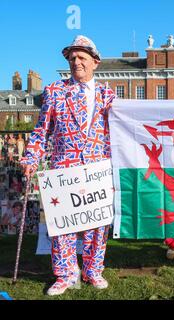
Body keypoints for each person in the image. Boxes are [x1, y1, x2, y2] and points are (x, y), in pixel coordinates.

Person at [21, 35, 115, 295]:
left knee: (97, 225)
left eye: (82, 57)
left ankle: (93, 271)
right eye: (72, 58)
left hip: (98, 169)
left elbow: (121, 131)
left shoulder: (108, 95)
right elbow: (42, 131)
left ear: (95, 62)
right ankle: (65, 274)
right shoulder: (54, 91)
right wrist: (31, 158)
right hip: (64, 168)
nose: (76, 62)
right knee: (63, 225)